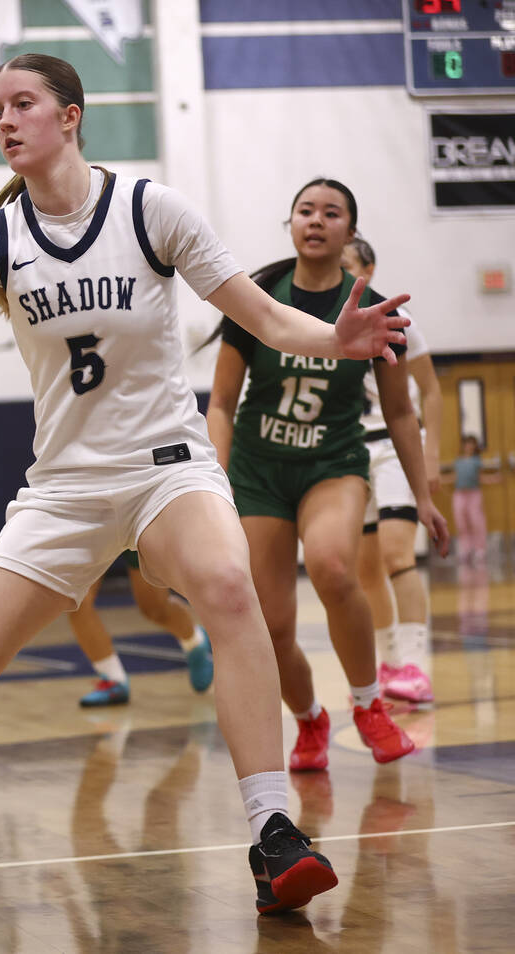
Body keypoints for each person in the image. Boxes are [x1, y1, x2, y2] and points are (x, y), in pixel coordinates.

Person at [0, 54, 412, 915]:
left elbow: (267, 316)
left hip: (165, 467)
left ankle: (273, 832)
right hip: (62, 489)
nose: (6, 122)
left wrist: (336, 336)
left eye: (22, 105)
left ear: (71, 116)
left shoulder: (148, 208)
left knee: (225, 584)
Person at [206, 178, 449, 778]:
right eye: (305, 210)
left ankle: (369, 705)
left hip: (333, 462)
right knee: (272, 623)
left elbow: (399, 410)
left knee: (334, 566)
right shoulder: (258, 297)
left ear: (349, 232)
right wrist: (214, 480)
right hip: (260, 470)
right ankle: (310, 718)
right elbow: (219, 404)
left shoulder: (376, 309)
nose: (316, 220)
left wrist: (421, 494)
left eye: (331, 212)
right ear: (290, 224)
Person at [342, 237, 443, 705]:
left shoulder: (399, 320)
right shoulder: (325, 322)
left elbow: (431, 392)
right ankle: (387, 664)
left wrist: (432, 456)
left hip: (394, 446)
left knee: (397, 556)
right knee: (364, 569)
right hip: (350, 450)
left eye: (349, 263)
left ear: (370, 267)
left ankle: (416, 667)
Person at [73, 551, 212, 707]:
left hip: (131, 527)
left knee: (154, 609)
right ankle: (113, 679)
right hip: (93, 528)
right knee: (76, 599)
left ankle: (194, 641)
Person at [451, 434, 498, 565]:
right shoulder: (458, 461)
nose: (469, 446)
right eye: (467, 443)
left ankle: (480, 549)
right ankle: (465, 549)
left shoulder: (477, 461)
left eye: (471, 444)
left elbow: (480, 477)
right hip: (459, 494)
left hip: (474, 494)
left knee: (476, 521)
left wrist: (493, 479)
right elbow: (454, 477)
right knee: (461, 521)